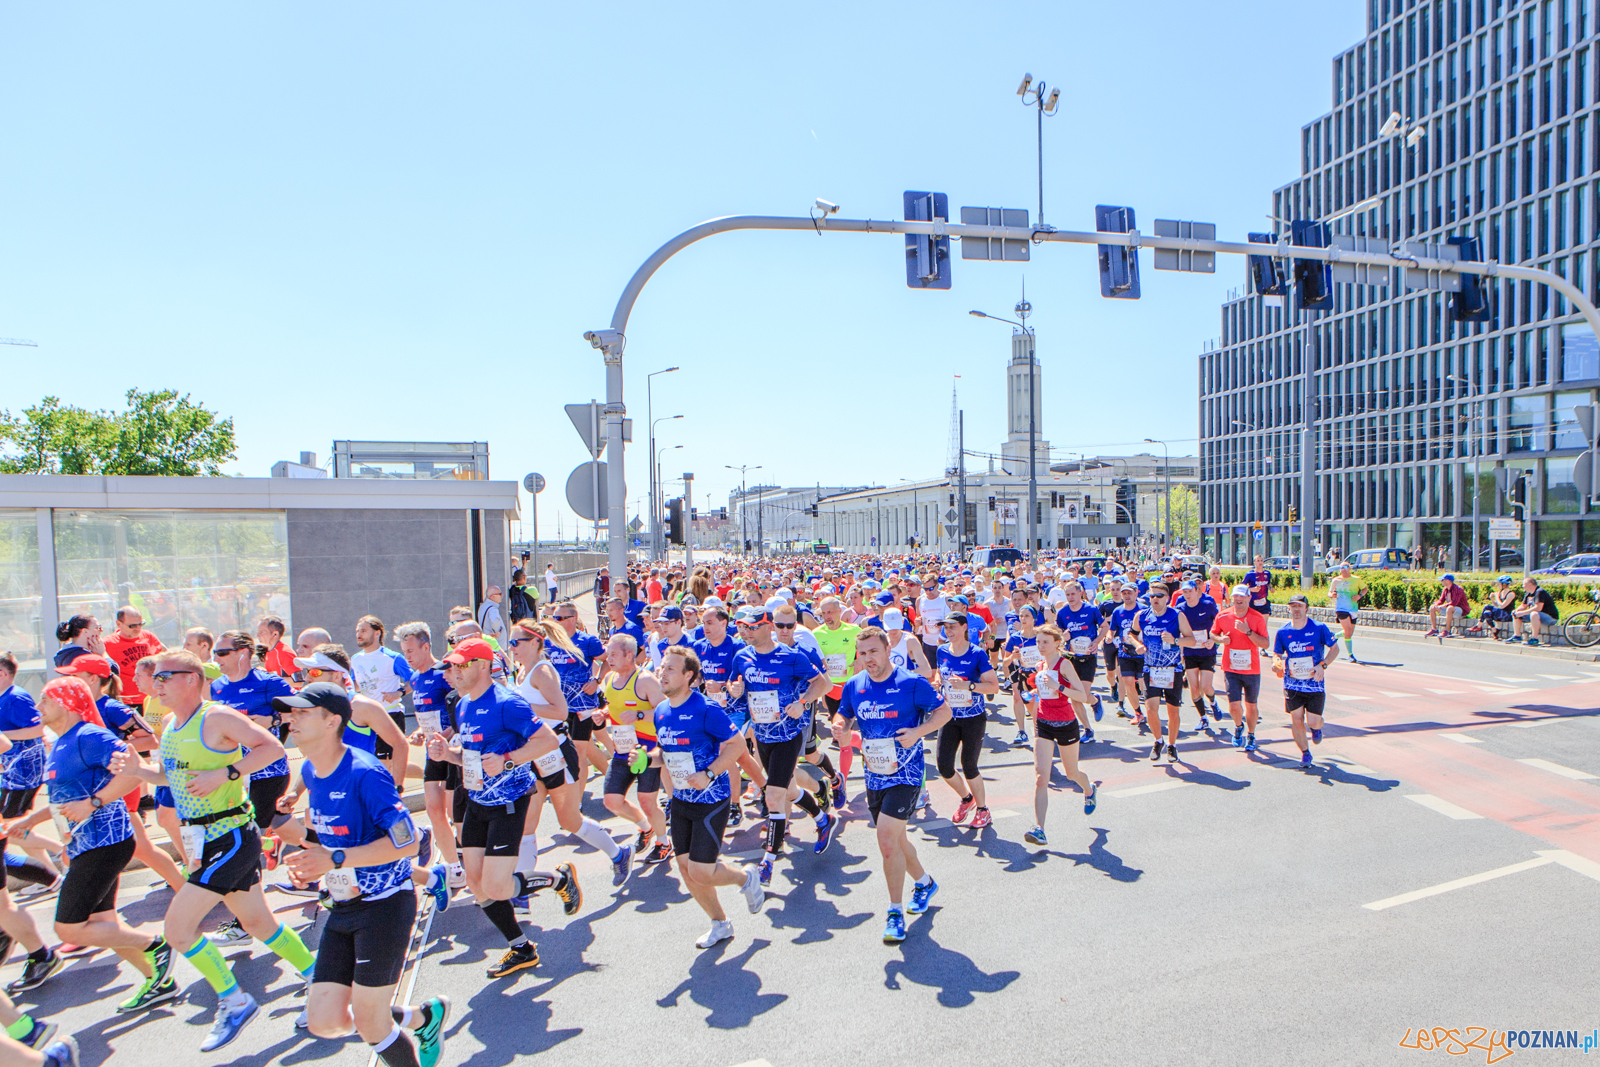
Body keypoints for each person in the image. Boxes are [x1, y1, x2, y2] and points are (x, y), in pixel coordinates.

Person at [112, 649, 317, 1052]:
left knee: (177, 929)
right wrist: (139, 771)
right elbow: (173, 778)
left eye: (165, 677)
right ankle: (318, 976)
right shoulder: (170, 724)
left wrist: (226, 772)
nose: (157, 685)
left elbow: (273, 749)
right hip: (203, 840)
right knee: (259, 924)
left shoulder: (216, 717)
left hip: (231, 836)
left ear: (191, 678)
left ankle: (235, 1000)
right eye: (155, 678)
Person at [273, 683, 450, 1067]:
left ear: (332, 720)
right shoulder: (311, 769)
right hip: (342, 905)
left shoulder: (365, 773)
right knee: (325, 1022)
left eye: (302, 712)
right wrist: (309, 857)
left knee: (370, 1022)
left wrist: (333, 859)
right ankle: (422, 1017)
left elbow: (405, 843)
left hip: (384, 906)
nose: (291, 719)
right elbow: (336, 837)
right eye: (290, 712)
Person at [13, 678, 176, 1014]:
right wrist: (32, 821)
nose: (38, 706)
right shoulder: (61, 742)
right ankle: (159, 982)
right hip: (85, 845)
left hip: (106, 843)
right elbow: (67, 797)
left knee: (68, 927)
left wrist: (95, 803)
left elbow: (134, 773)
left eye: (45, 699)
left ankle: (155, 946)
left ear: (68, 703)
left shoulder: (91, 735)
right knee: (105, 926)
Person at [424, 639, 579, 980]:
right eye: (452, 665)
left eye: (461, 665)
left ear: (482, 665)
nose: (454, 671)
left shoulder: (508, 703)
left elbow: (548, 742)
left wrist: (509, 760)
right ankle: (522, 948)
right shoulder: (463, 705)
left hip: (509, 802)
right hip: (478, 800)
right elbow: (472, 756)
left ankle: (558, 878)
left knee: (496, 886)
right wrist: (446, 755)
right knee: (477, 885)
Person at [835, 627, 951, 944]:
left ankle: (894, 912)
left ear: (888, 649)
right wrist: (839, 725)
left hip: (907, 772)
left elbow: (944, 713)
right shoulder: (854, 686)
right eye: (863, 653)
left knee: (886, 839)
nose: (869, 658)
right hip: (874, 773)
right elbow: (844, 716)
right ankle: (925, 882)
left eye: (874, 651)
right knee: (897, 843)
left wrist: (919, 732)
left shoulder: (911, 683)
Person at [654, 646, 764, 948]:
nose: (662, 673)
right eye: (662, 667)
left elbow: (737, 744)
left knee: (701, 870)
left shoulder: (705, 709)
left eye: (670, 669)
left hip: (710, 799)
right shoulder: (661, 711)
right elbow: (665, 752)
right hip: (681, 800)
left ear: (689, 676)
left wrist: (711, 773)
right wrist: (647, 758)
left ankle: (746, 878)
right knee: (687, 871)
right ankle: (720, 924)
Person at [509, 620, 632, 889]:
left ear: (534, 642)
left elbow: (560, 712)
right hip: (533, 752)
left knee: (570, 821)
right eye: (510, 642)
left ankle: (619, 854)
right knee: (528, 822)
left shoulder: (543, 671)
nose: (511, 647)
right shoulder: (521, 671)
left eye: (516, 642)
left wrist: (523, 706)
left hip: (555, 752)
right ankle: (521, 893)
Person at [728, 605, 830, 886]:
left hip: (788, 735)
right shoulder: (742, 656)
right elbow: (736, 688)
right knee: (791, 790)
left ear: (767, 627)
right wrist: (733, 689)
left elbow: (823, 683)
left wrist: (803, 702)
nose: (745, 631)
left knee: (773, 797)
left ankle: (768, 861)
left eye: (751, 627)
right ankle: (822, 819)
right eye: (743, 627)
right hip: (762, 736)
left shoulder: (791, 656)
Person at [398, 622, 465, 889]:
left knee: (451, 810)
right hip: (431, 751)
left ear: (426, 647)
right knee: (433, 809)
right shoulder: (414, 679)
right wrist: (420, 734)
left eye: (411, 650)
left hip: (449, 750)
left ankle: (467, 855)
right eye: (404, 652)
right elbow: (426, 717)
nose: (408, 657)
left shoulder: (443, 674)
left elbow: (456, 713)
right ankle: (454, 868)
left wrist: (446, 735)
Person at [1021, 626, 1098, 846]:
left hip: (1066, 724)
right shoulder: (1040, 665)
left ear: (1057, 642)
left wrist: (1059, 687)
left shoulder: (1064, 664)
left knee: (1071, 773)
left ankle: (1089, 790)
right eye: (1038, 642)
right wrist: (1036, 692)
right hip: (1043, 723)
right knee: (1040, 776)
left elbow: (1082, 695)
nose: (1041, 646)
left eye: (1045, 642)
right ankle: (1039, 829)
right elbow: (1046, 692)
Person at [934, 614, 999, 829]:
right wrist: (937, 683)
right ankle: (966, 799)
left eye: (953, 627)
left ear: (964, 628)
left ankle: (983, 810)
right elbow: (940, 677)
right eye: (946, 627)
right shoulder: (942, 651)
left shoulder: (977, 654)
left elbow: (993, 686)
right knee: (944, 766)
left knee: (969, 766)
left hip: (973, 717)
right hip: (949, 716)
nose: (949, 631)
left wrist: (969, 686)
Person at [1271, 595, 1340, 768]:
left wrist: (1322, 665)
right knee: (1296, 719)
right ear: (1289, 609)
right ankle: (1305, 753)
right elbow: (1277, 654)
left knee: (1313, 721)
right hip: (1292, 684)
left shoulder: (1319, 628)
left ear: (1306, 608)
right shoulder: (1283, 632)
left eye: (1299, 606)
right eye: (1292, 606)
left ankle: (1316, 729)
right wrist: (1277, 664)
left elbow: (1335, 648)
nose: (1296, 610)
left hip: (1314, 683)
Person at [1131, 584, 1194, 763]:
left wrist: (1175, 640)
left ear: (1167, 598)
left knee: (1173, 712)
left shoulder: (1176, 615)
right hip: (1150, 669)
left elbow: (1191, 640)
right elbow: (1131, 635)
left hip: (1172, 669)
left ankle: (1172, 745)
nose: (1155, 599)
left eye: (1159, 596)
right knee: (1151, 710)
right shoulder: (1142, 616)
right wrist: (1138, 645)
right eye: (1152, 596)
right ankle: (1158, 740)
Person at [1213, 586, 1269, 751]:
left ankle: (1251, 735)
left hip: (1251, 669)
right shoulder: (1223, 615)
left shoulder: (1257, 618)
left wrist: (1248, 632)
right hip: (1231, 668)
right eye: (1236, 596)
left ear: (1248, 598)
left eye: (1242, 597)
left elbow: (1265, 643)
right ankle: (1238, 727)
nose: (1239, 600)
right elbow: (1213, 634)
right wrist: (1221, 640)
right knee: (1234, 706)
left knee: (1251, 705)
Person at [1174, 581, 1221, 728]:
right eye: (1185, 592)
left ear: (1196, 590)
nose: (1187, 595)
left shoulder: (1207, 605)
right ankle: (1203, 718)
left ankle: (1213, 702)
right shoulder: (1180, 609)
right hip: (1190, 651)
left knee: (1206, 687)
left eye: (1190, 591)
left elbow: (1218, 625)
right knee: (1194, 688)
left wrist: (1213, 641)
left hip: (1207, 651)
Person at [102, 606, 164, 711]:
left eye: (141, 624)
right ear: (118, 624)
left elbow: (164, 658)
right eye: (132, 626)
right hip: (126, 702)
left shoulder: (148, 636)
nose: (138, 628)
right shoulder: (108, 643)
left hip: (151, 698)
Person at [1327, 563, 1365, 662]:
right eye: (1341, 568)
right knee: (1347, 631)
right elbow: (1330, 592)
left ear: (1349, 568)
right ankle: (1350, 655)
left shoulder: (1356, 579)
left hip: (1353, 608)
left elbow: (1365, 589)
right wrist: (1332, 595)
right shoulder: (1336, 580)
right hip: (1341, 608)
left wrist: (1359, 596)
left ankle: (1335, 636)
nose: (1342, 570)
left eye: (1345, 567)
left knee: (1349, 633)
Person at [1509, 577, 1560, 645]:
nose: (1522, 586)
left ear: (1530, 584)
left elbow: (1538, 608)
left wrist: (1523, 613)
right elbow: (1524, 605)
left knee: (1534, 614)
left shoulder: (1540, 592)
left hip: (1550, 618)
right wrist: (1516, 611)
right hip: (1538, 616)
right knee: (1516, 614)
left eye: (1524, 584)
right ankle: (1517, 636)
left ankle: (1535, 639)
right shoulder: (1528, 593)